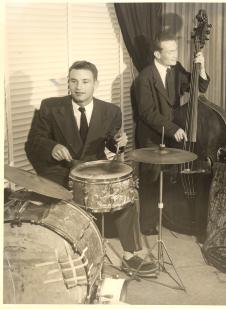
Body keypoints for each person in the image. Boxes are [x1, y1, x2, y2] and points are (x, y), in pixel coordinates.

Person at [25, 60, 157, 277]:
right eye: (74, 81)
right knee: (47, 202)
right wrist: (52, 146)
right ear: (68, 82)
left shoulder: (111, 111)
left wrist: (119, 141)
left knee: (127, 194)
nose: (79, 87)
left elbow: (111, 144)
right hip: (60, 169)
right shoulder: (50, 106)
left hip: (94, 169)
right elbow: (34, 141)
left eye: (85, 81)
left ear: (96, 83)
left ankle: (130, 254)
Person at [134, 31, 210, 235]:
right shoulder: (144, 77)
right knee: (151, 178)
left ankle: (168, 215)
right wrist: (173, 128)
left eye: (176, 49)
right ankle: (147, 224)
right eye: (170, 51)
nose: (176, 54)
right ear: (157, 54)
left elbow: (199, 87)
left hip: (172, 132)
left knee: (169, 176)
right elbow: (146, 112)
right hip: (151, 135)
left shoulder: (176, 69)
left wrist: (200, 68)